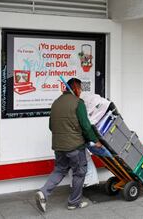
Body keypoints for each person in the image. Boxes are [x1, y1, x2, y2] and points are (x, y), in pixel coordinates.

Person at [35, 78, 103, 212]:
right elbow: (86, 126)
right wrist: (95, 141)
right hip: (75, 146)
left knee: (60, 169)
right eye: (80, 89)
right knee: (79, 172)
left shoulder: (56, 103)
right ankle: (74, 202)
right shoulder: (78, 103)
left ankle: (43, 193)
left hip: (58, 146)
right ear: (76, 88)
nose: (81, 92)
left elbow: (51, 126)